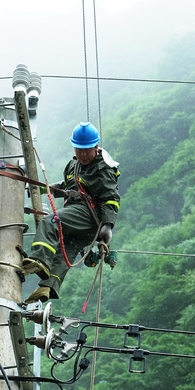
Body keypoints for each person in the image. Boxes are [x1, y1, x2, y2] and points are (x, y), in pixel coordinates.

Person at [22, 122, 120, 302]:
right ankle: (48, 287)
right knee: (66, 249)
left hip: (90, 215)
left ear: (96, 147)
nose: (82, 154)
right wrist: (44, 189)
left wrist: (108, 225)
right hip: (78, 215)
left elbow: (112, 198)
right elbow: (67, 187)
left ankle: (40, 259)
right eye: (79, 149)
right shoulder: (73, 166)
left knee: (51, 222)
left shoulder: (103, 168)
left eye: (86, 150)